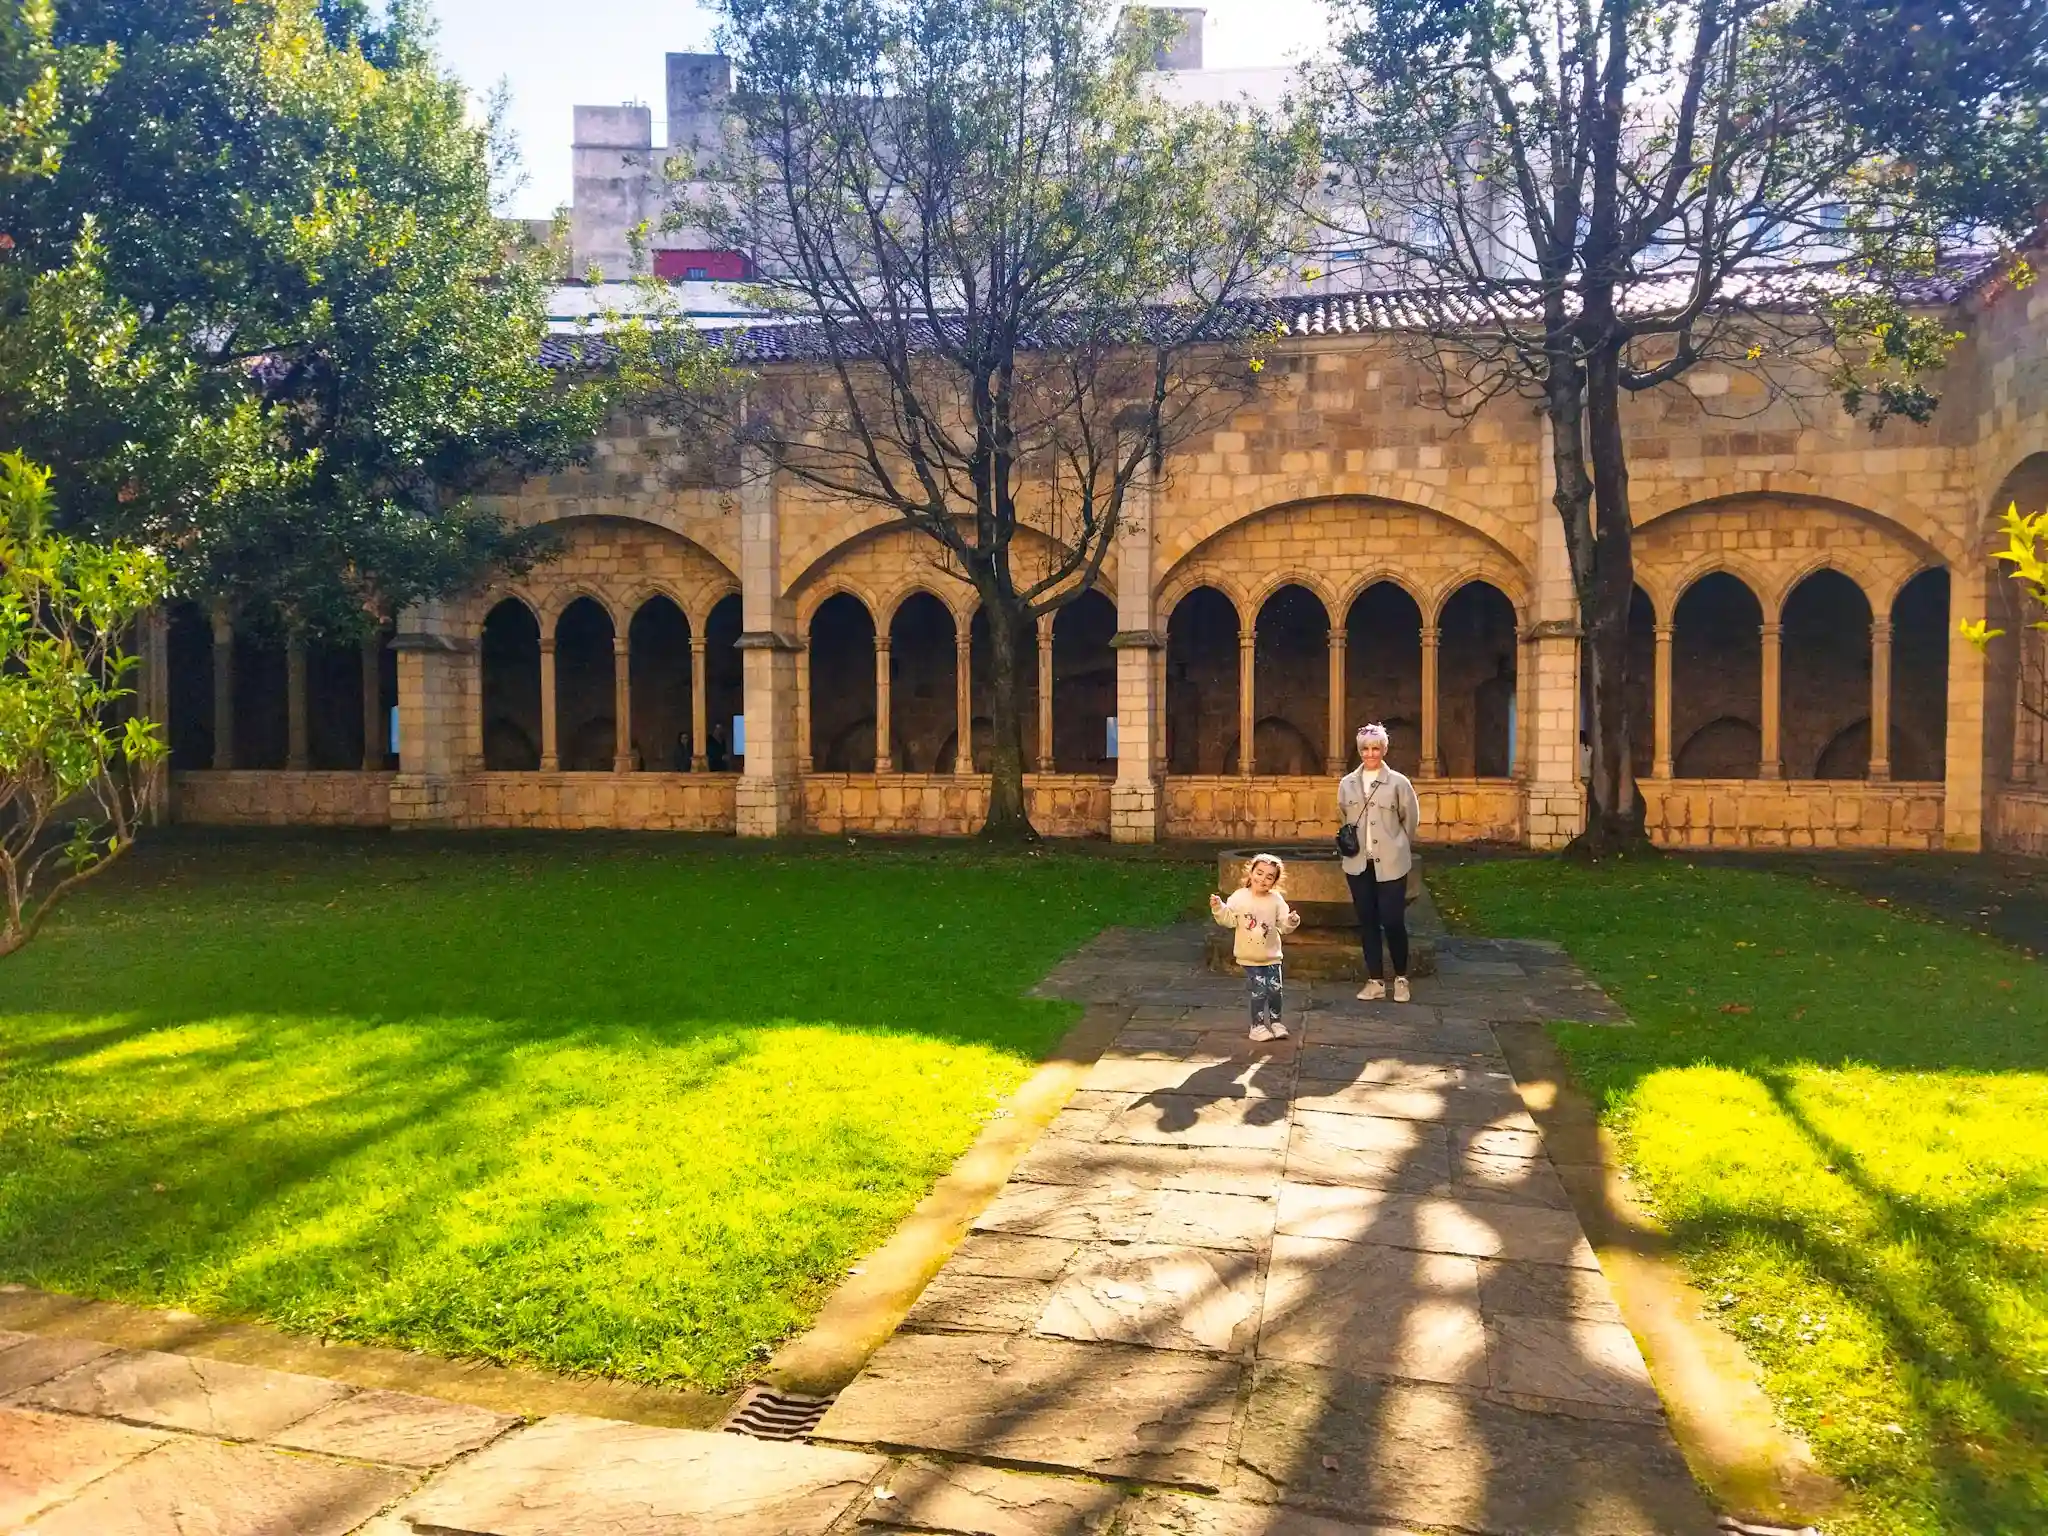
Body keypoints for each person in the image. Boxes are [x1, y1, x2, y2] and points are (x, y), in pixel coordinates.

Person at [1337, 722, 1422, 1003]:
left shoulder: (1399, 782)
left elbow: (1410, 821)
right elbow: (1344, 818)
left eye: (1375, 748)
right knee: (1368, 921)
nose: (1370, 754)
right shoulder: (1347, 783)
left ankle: (1400, 978)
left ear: (1384, 749)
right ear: (1359, 751)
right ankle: (1374, 980)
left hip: (1391, 862)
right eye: (1365, 749)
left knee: (1393, 920)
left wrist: (1397, 845)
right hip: (1358, 864)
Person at [1209, 852, 1302, 1042]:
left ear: (1275, 881)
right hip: (1249, 955)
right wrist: (1219, 907)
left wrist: (1292, 921)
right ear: (1251, 873)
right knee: (1259, 990)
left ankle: (1276, 1022)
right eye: (1259, 873)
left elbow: (1284, 926)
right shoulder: (1239, 897)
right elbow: (1228, 920)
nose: (1263, 879)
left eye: (1269, 877)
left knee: (1275, 989)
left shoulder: (1276, 900)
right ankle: (1257, 1026)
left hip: (1272, 955)